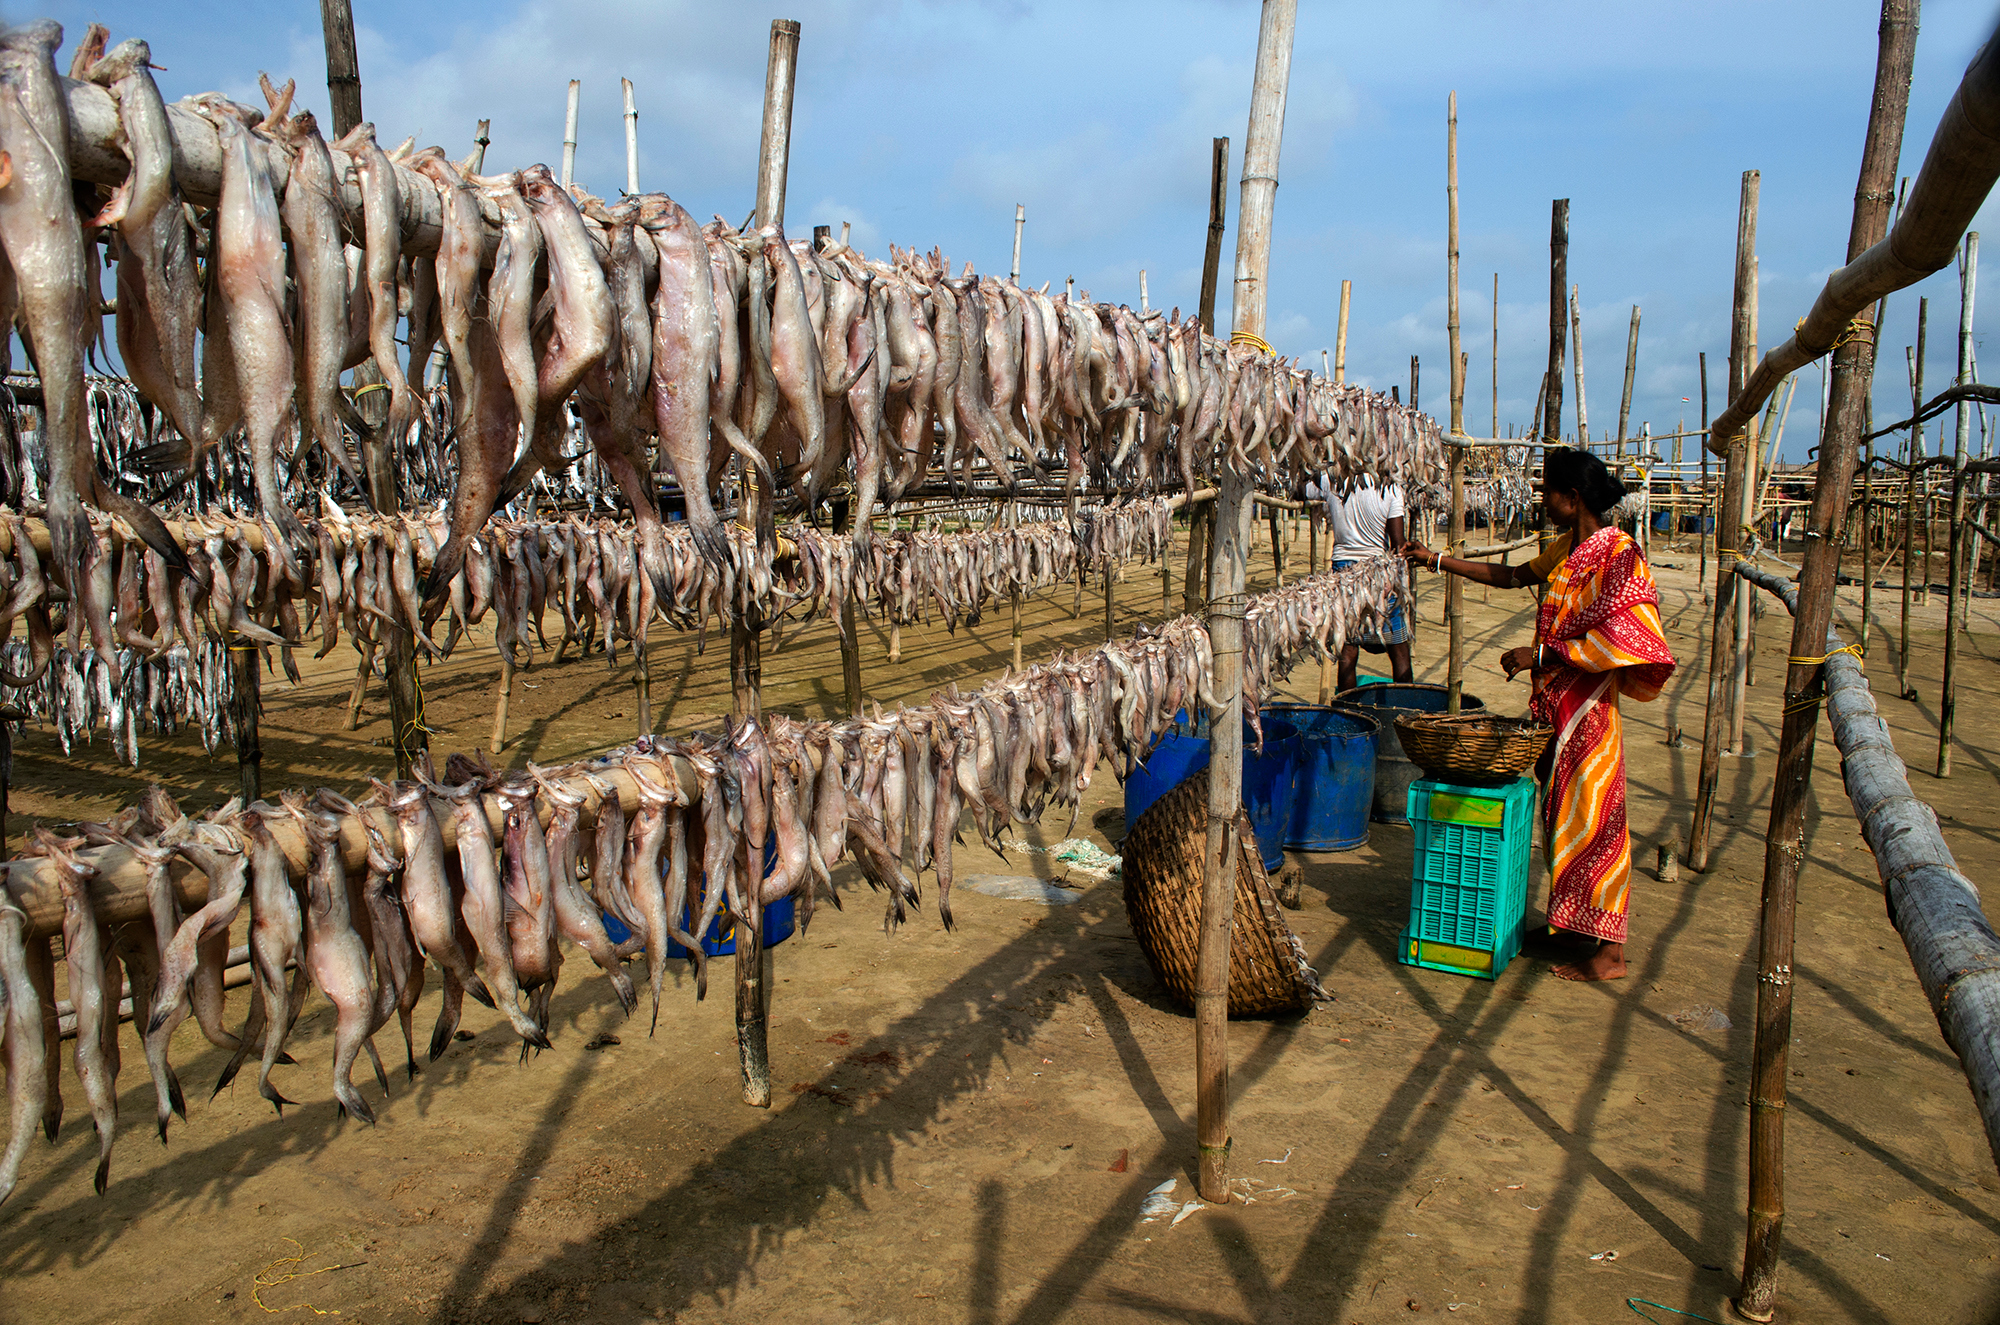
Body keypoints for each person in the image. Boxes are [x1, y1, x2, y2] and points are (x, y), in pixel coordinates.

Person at [1398, 449, 1675, 982]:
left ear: (1573, 500)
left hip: (1589, 712)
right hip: (1555, 707)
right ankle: (1572, 929)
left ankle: (1610, 954)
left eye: (1549, 491)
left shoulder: (1619, 553)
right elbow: (1511, 577)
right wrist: (1435, 560)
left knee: (1597, 823)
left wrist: (1545, 655)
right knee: (1563, 820)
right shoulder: (1569, 549)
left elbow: (1633, 636)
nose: (1542, 499)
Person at [1312, 472, 1415, 691]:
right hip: (1378, 572)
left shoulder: (1332, 480)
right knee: (1398, 647)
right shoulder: (1390, 487)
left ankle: (1348, 710)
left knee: (1348, 649)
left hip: (1344, 571)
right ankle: (1407, 706)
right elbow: (1397, 543)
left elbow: (1299, 490)